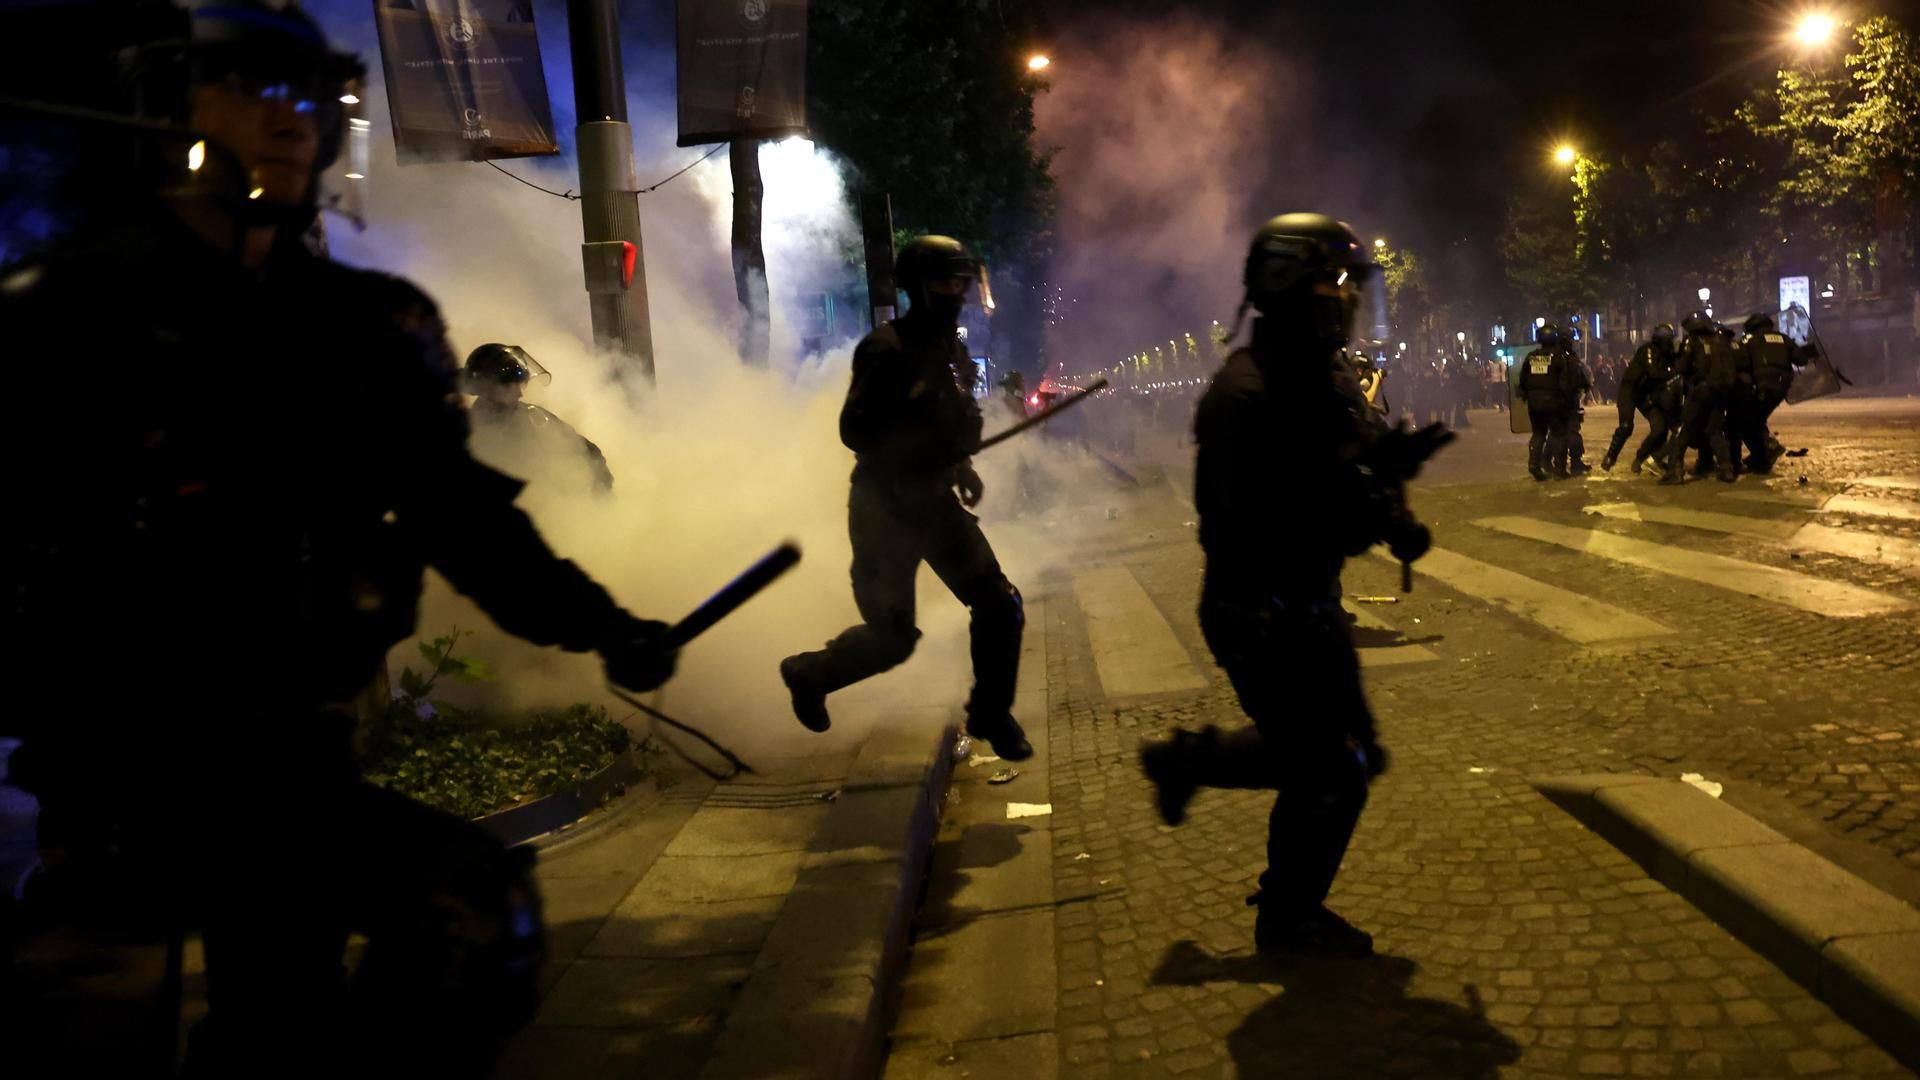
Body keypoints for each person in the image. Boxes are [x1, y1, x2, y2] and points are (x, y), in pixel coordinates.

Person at [1, 2, 677, 1071]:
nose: (294, 120)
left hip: (291, 756)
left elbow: (458, 514)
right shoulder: (69, 312)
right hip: (121, 778)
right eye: (255, 90)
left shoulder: (366, 325)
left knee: (454, 930)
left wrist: (600, 624)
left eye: (310, 97)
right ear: (173, 110)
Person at [1137, 213, 1450, 958]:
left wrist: (1390, 492)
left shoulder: (1325, 370)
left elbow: (1355, 454)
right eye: (1331, 281)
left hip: (1311, 602)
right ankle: (1287, 914)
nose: (1344, 297)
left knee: (1341, 757)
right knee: (1329, 763)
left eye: (1349, 283)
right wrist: (1348, 503)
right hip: (1259, 610)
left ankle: (1199, 774)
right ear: (1286, 286)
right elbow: (1243, 528)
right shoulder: (1242, 398)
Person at [777, 236, 1033, 762]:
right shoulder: (885, 349)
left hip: (935, 505)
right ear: (918, 286)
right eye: (945, 281)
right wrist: (914, 434)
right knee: (893, 640)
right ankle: (809, 673)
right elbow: (854, 430)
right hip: (885, 513)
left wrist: (959, 465)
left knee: (1000, 606)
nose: (956, 291)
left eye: (961, 281)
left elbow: (950, 423)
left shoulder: (952, 350)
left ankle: (989, 711)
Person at [464, 343, 615, 495]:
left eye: (520, 386)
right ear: (485, 387)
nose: (519, 394)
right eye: (509, 386)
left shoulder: (533, 417)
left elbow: (588, 451)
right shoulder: (463, 432)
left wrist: (601, 486)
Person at [1663, 312, 1737, 484]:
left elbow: (1681, 366)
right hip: (1720, 392)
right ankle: (1726, 469)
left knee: (1684, 428)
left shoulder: (1693, 341)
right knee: (1714, 430)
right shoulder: (1721, 341)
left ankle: (1675, 470)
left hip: (1700, 390)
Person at [1731, 313, 1802, 474]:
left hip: (1761, 388)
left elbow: (1740, 362)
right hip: (1781, 389)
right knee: (1756, 419)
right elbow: (1801, 359)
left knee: (1747, 421)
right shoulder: (1784, 339)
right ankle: (1761, 457)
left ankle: (1768, 448)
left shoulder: (1751, 340)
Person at [1603, 324, 1679, 475]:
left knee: (1660, 429)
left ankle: (1641, 459)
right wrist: (1674, 373)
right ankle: (1610, 457)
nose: (1670, 344)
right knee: (1626, 426)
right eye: (1668, 340)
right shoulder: (1648, 351)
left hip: (1646, 394)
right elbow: (1654, 373)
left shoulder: (1668, 355)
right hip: (1629, 391)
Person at [1519, 325, 1577, 480]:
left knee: (1538, 433)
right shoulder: (1559, 357)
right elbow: (1564, 382)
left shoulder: (1531, 357)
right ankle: (1559, 470)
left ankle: (1534, 464)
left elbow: (1522, 381)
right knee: (1559, 434)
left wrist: (1527, 395)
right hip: (1554, 402)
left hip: (1534, 403)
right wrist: (1568, 401)